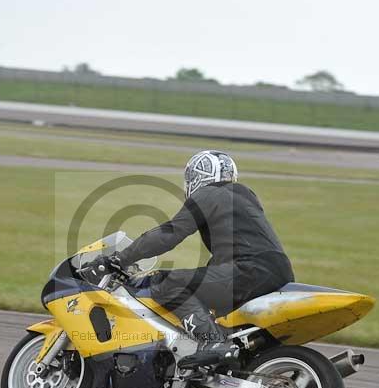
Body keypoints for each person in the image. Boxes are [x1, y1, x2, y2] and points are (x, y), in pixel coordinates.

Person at [96, 150, 294, 369]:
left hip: (249, 271)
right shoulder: (245, 195)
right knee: (206, 298)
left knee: (167, 282)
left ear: (197, 176)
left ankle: (213, 344)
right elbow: (229, 253)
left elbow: (169, 234)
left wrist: (121, 258)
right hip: (277, 271)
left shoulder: (207, 195)